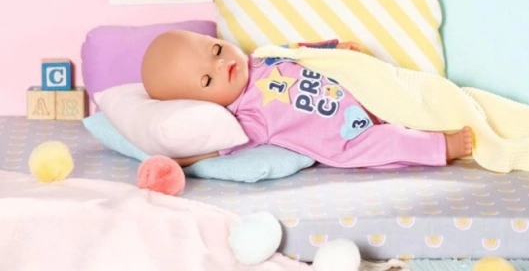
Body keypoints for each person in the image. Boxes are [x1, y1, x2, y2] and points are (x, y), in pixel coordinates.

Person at [141, 30, 473, 168]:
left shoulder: (263, 56)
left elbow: (300, 52)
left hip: (354, 92)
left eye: (215, 50)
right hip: (347, 137)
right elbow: (215, 149)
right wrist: (180, 161)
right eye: (207, 79)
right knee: (389, 142)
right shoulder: (245, 118)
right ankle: (442, 147)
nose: (220, 64)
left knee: (400, 91)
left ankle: (443, 108)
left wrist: (333, 49)